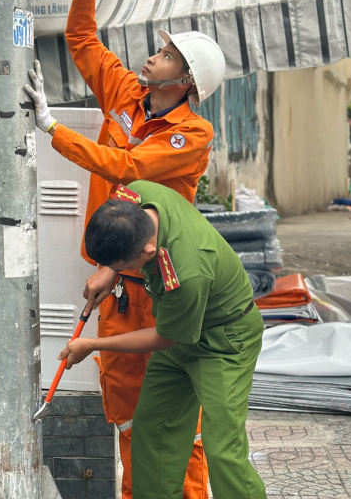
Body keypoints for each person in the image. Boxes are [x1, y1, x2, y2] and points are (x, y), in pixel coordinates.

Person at [23, 0, 226, 499]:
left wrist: (54, 130)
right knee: (129, 415)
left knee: (175, 422)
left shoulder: (191, 135)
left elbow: (128, 169)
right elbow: (83, 42)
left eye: (164, 54)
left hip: (160, 289)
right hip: (121, 281)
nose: (151, 55)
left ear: (185, 81)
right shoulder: (129, 96)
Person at [61, 180, 267, 499]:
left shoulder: (186, 273)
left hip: (225, 341)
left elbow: (165, 337)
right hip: (181, 333)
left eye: (128, 266)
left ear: (147, 250)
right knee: (152, 431)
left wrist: (92, 345)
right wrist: (108, 269)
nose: (126, 271)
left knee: (223, 447)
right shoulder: (140, 195)